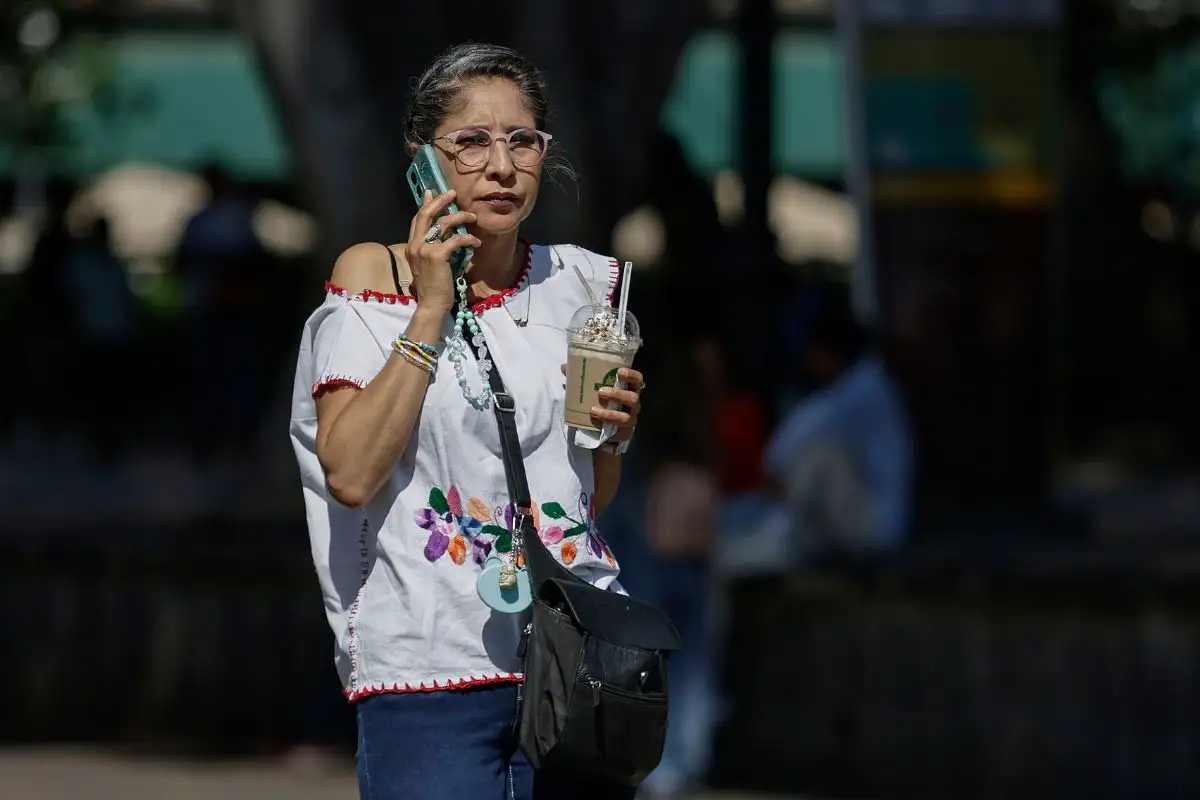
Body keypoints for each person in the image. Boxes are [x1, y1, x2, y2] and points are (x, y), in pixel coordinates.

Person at [289, 43, 647, 799]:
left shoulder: (586, 285)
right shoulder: (373, 279)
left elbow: (584, 501)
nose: (502, 165)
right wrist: (431, 310)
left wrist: (613, 433)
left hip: (575, 657)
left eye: (522, 140)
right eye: (472, 142)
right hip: (429, 664)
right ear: (423, 160)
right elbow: (350, 472)